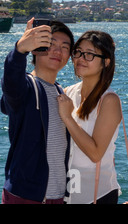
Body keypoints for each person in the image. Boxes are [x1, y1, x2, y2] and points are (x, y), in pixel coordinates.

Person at [1, 18, 74, 204]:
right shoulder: (26, 87)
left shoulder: (61, 92)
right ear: (36, 48)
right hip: (25, 196)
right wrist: (19, 50)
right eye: (50, 44)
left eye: (65, 47)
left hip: (58, 196)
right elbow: (11, 83)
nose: (58, 51)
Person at [57, 31, 122, 204]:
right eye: (78, 52)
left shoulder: (109, 101)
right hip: (67, 193)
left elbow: (95, 154)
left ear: (106, 62)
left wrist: (67, 118)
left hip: (97, 195)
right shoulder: (67, 93)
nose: (81, 58)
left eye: (90, 54)